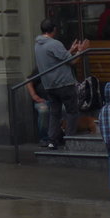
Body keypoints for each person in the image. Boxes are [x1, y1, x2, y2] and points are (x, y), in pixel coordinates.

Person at [34, 18, 89, 149]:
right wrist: (81, 51)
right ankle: (69, 139)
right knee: (72, 111)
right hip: (64, 84)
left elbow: (57, 59)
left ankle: (52, 140)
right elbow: (72, 62)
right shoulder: (54, 43)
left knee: (54, 113)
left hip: (49, 85)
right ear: (54, 30)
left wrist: (70, 50)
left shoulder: (38, 44)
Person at [25, 66, 49, 145]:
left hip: (57, 100)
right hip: (43, 100)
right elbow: (29, 80)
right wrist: (34, 95)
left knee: (64, 109)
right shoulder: (42, 66)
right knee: (43, 110)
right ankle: (44, 138)